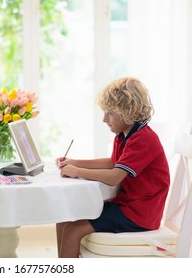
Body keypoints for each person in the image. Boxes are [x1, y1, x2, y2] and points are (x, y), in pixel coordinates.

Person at [55, 77, 170, 258]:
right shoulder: (124, 134)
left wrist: (76, 171)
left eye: (110, 113)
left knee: (72, 230)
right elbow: (113, 162)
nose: (103, 119)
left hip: (138, 213)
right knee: (64, 219)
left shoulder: (143, 138)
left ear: (130, 111)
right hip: (127, 205)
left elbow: (115, 176)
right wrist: (75, 162)